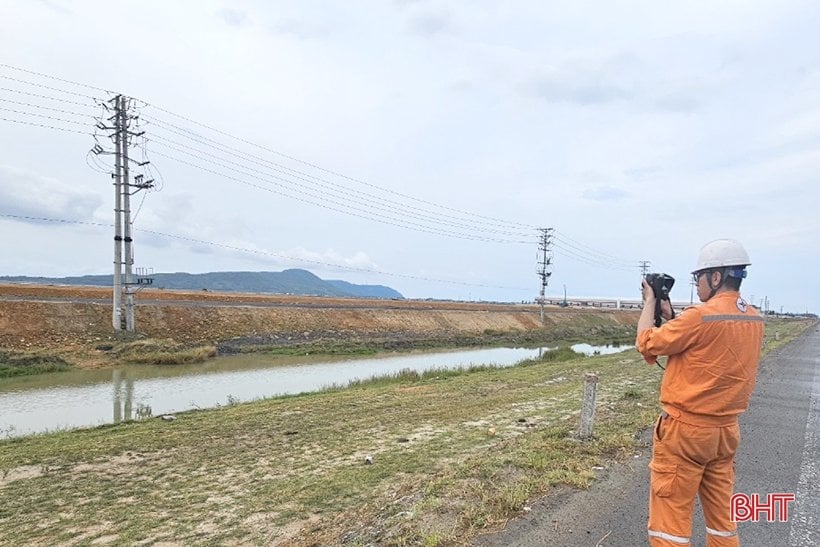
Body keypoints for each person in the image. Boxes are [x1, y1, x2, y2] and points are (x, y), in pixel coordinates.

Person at [636, 239, 764, 546]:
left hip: (686, 433)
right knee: (722, 520)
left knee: (670, 523)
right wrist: (672, 317)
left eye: (699, 278)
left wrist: (649, 303)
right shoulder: (754, 317)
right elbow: (709, 339)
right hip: (725, 433)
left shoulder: (699, 316)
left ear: (716, 277)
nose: (696, 285)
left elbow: (647, 342)